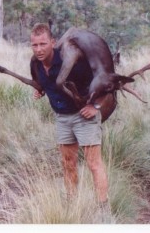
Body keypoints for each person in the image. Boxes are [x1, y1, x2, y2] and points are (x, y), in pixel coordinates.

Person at [30, 23, 111, 219]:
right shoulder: (35, 63)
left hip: (83, 117)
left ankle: (103, 210)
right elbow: (44, 82)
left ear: (53, 43)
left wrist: (96, 106)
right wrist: (41, 90)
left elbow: (105, 83)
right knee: (68, 163)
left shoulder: (72, 60)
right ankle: (71, 205)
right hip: (62, 118)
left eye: (43, 44)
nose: (39, 50)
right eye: (34, 45)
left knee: (93, 164)